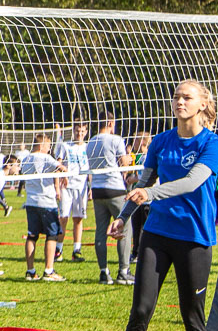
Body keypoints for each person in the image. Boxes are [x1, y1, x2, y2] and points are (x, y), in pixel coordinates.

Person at [102, 80, 218, 331]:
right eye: (177, 97)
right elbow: (142, 184)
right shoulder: (160, 141)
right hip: (157, 234)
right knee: (140, 311)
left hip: (195, 239)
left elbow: (192, 181)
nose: (179, 101)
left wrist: (153, 194)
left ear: (202, 105)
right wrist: (123, 219)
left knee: (193, 319)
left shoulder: (211, 143)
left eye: (187, 97)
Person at [87, 113, 134, 285]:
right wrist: (129, 158)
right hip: (114, 188)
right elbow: (124, 163)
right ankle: (123, 271)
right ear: (110, 122)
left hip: (98, 189)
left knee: (101, 231)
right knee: (125, 226)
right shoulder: (116, 139)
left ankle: (103, 272)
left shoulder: (90, 141)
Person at [21, 134, 68, 281]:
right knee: (52, 235)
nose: (49, 149)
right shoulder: (46, 158)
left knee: (32, 236)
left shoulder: (26, 158)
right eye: (48, 146)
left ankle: (30, 271)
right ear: (42, 146)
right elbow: (62, 168)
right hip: (47, 202)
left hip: (31, 202)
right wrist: (64, 173)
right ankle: (49, 271)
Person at [55, 123, 91, 263]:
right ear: (73, 131)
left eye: (82, 131)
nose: (79, 133)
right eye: (77, 131)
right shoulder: (65, 146)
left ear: (86, 132)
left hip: (81, 187)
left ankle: (77, 250)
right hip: (67, 186)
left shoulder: (87, 147)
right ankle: (58, 249)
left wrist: (91, 187)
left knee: (78, 218)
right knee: (63, 218)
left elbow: (90, 168)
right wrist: (57, 185)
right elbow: (58, 165)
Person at [126, 132, 153, 261]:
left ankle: (142, 253)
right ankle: (135, 252)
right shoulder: (139, 157)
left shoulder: (149, 156)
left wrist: (134, 179)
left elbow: (147, 176)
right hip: (138, 199)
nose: (133, 143)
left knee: (144, 227)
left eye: (135, 141)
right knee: (136, 226)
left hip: (148, 199)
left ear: (142, 142)